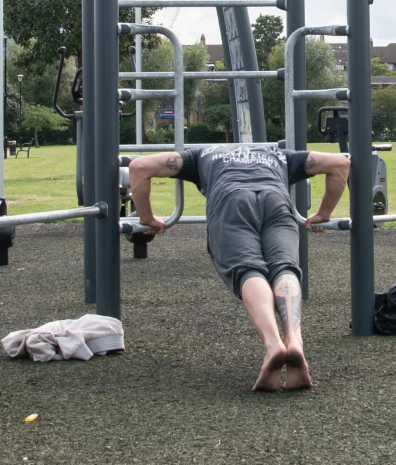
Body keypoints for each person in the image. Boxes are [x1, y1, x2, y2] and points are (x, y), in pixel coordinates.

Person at [127, 143, 352, 391]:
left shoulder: (201, 155)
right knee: (284, 267)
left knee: (248, 270)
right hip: (276, 200)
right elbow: (340, 163)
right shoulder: (279, 154)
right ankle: (294, 340)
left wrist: (146, 217)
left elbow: (139, 166)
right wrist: (324, 213)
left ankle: (274, 343)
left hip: (231, 202)